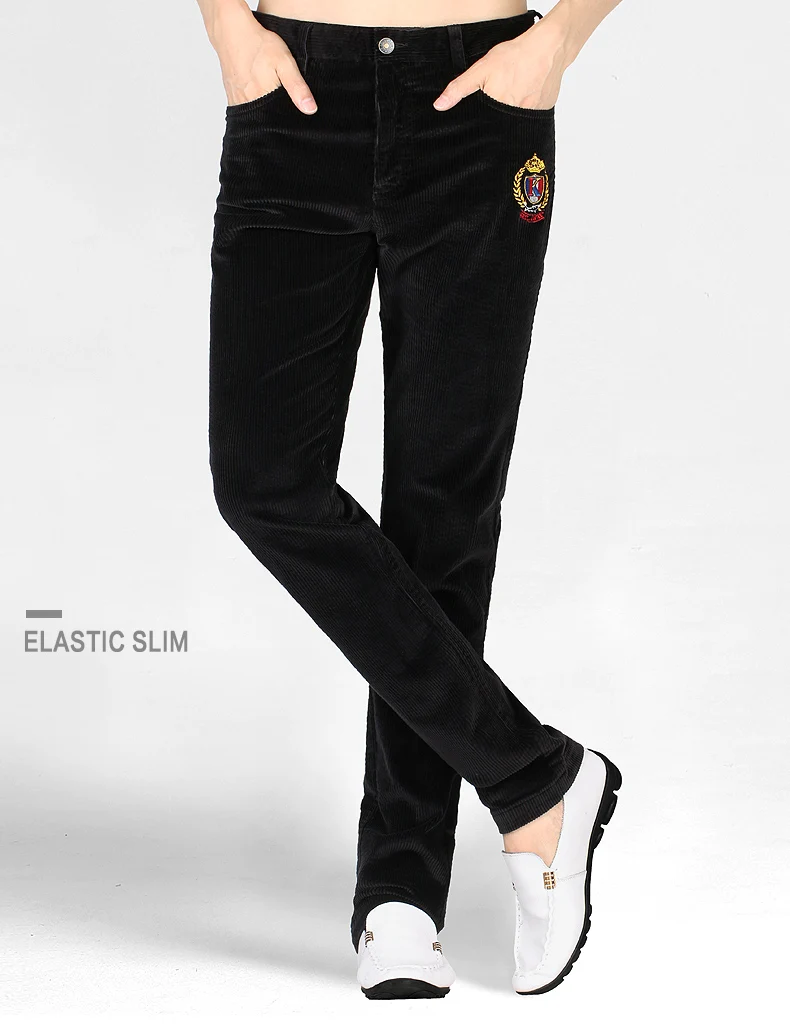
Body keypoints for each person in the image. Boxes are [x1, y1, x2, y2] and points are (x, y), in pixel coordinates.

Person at [195, 0, 624, 1000]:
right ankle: (534, 775)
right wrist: (227, 28)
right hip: (293, 91)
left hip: (479, 98)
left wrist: (557, 42)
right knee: (264, 480)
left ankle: (402, 894)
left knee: (443, 508)